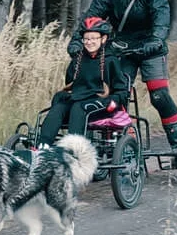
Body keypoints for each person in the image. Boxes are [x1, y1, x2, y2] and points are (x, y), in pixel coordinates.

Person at [67, 0, 177, 150]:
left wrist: (157, 39)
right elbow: (93, 16)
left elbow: (161, 16)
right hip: (122, 46)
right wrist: (77, 40)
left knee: (159, 95)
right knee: (117, 95)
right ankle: (127, 144)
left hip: (151, 46)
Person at [37, 17, 130, 147]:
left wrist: (114, 100)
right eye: (86, 39)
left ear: (103, 39)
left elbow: (122, 90)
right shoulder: (78, 59)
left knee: (78, 108)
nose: (89, 42)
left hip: (103, 102)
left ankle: (74, 149)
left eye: (93, 38)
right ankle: (43, 146)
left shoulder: (110, 60)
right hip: (79, 98)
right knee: (58, 108)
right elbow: (70, 84)